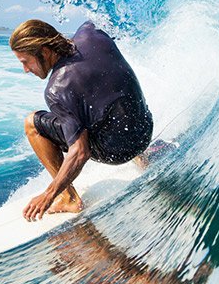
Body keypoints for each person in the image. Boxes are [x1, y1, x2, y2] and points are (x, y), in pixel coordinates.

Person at [10, 19, 153, 221]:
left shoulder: (57, 89)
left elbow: (80, 152)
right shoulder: (91, 32)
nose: (25, 69)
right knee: (104, 90)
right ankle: (144, 157)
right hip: (144, 131)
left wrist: (48, 195)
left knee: (32, 123)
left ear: (44, 51)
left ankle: (68, 198)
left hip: (118, 152)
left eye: (25, 61)